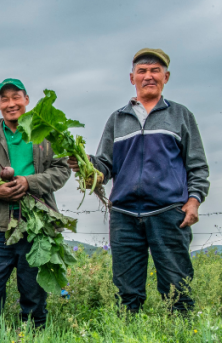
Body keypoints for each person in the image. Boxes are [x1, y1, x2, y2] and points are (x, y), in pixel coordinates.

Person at [68, 48, 209, 313]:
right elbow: (105, 166)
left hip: (169, 212)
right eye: (142, 71)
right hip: (124, 215)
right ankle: (128, 342)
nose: (149, 76)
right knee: (127, 293)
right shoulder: (117, 119)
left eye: (155, 70)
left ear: (166, 76)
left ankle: (182, 342)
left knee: (177, 288)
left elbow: (197, 164)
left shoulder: (180, 115)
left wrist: (194, 200)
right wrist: (86, 165)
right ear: (131, 77)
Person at [0, 79, 71, 334]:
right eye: (4, 99)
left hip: (37, 226)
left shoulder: (47, 133)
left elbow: (61, 169)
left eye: (16, 97)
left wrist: (29, 182)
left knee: (34, 296)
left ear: (26, 99)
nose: (11, 103)